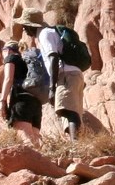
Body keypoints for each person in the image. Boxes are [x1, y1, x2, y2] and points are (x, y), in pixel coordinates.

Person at [18, 10, 85, 138]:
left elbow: (53, 58)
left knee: (68, 111)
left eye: (25, 26)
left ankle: (75, 145)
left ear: (31, 25)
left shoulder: (44, 34)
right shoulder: (47, 33)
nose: (24, 30)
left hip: (66, 75)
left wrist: (52, 87)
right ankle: (76, 142)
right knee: (67, 112)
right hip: (71, 74)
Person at [0, 41, 43, 145]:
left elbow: (8, 79)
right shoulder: (28, 61)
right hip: (36, 102)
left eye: (3, 51)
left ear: (8, 50)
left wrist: (3, 101)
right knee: (35, 141)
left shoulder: (11, 58)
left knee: (26, 139)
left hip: (21, 101)